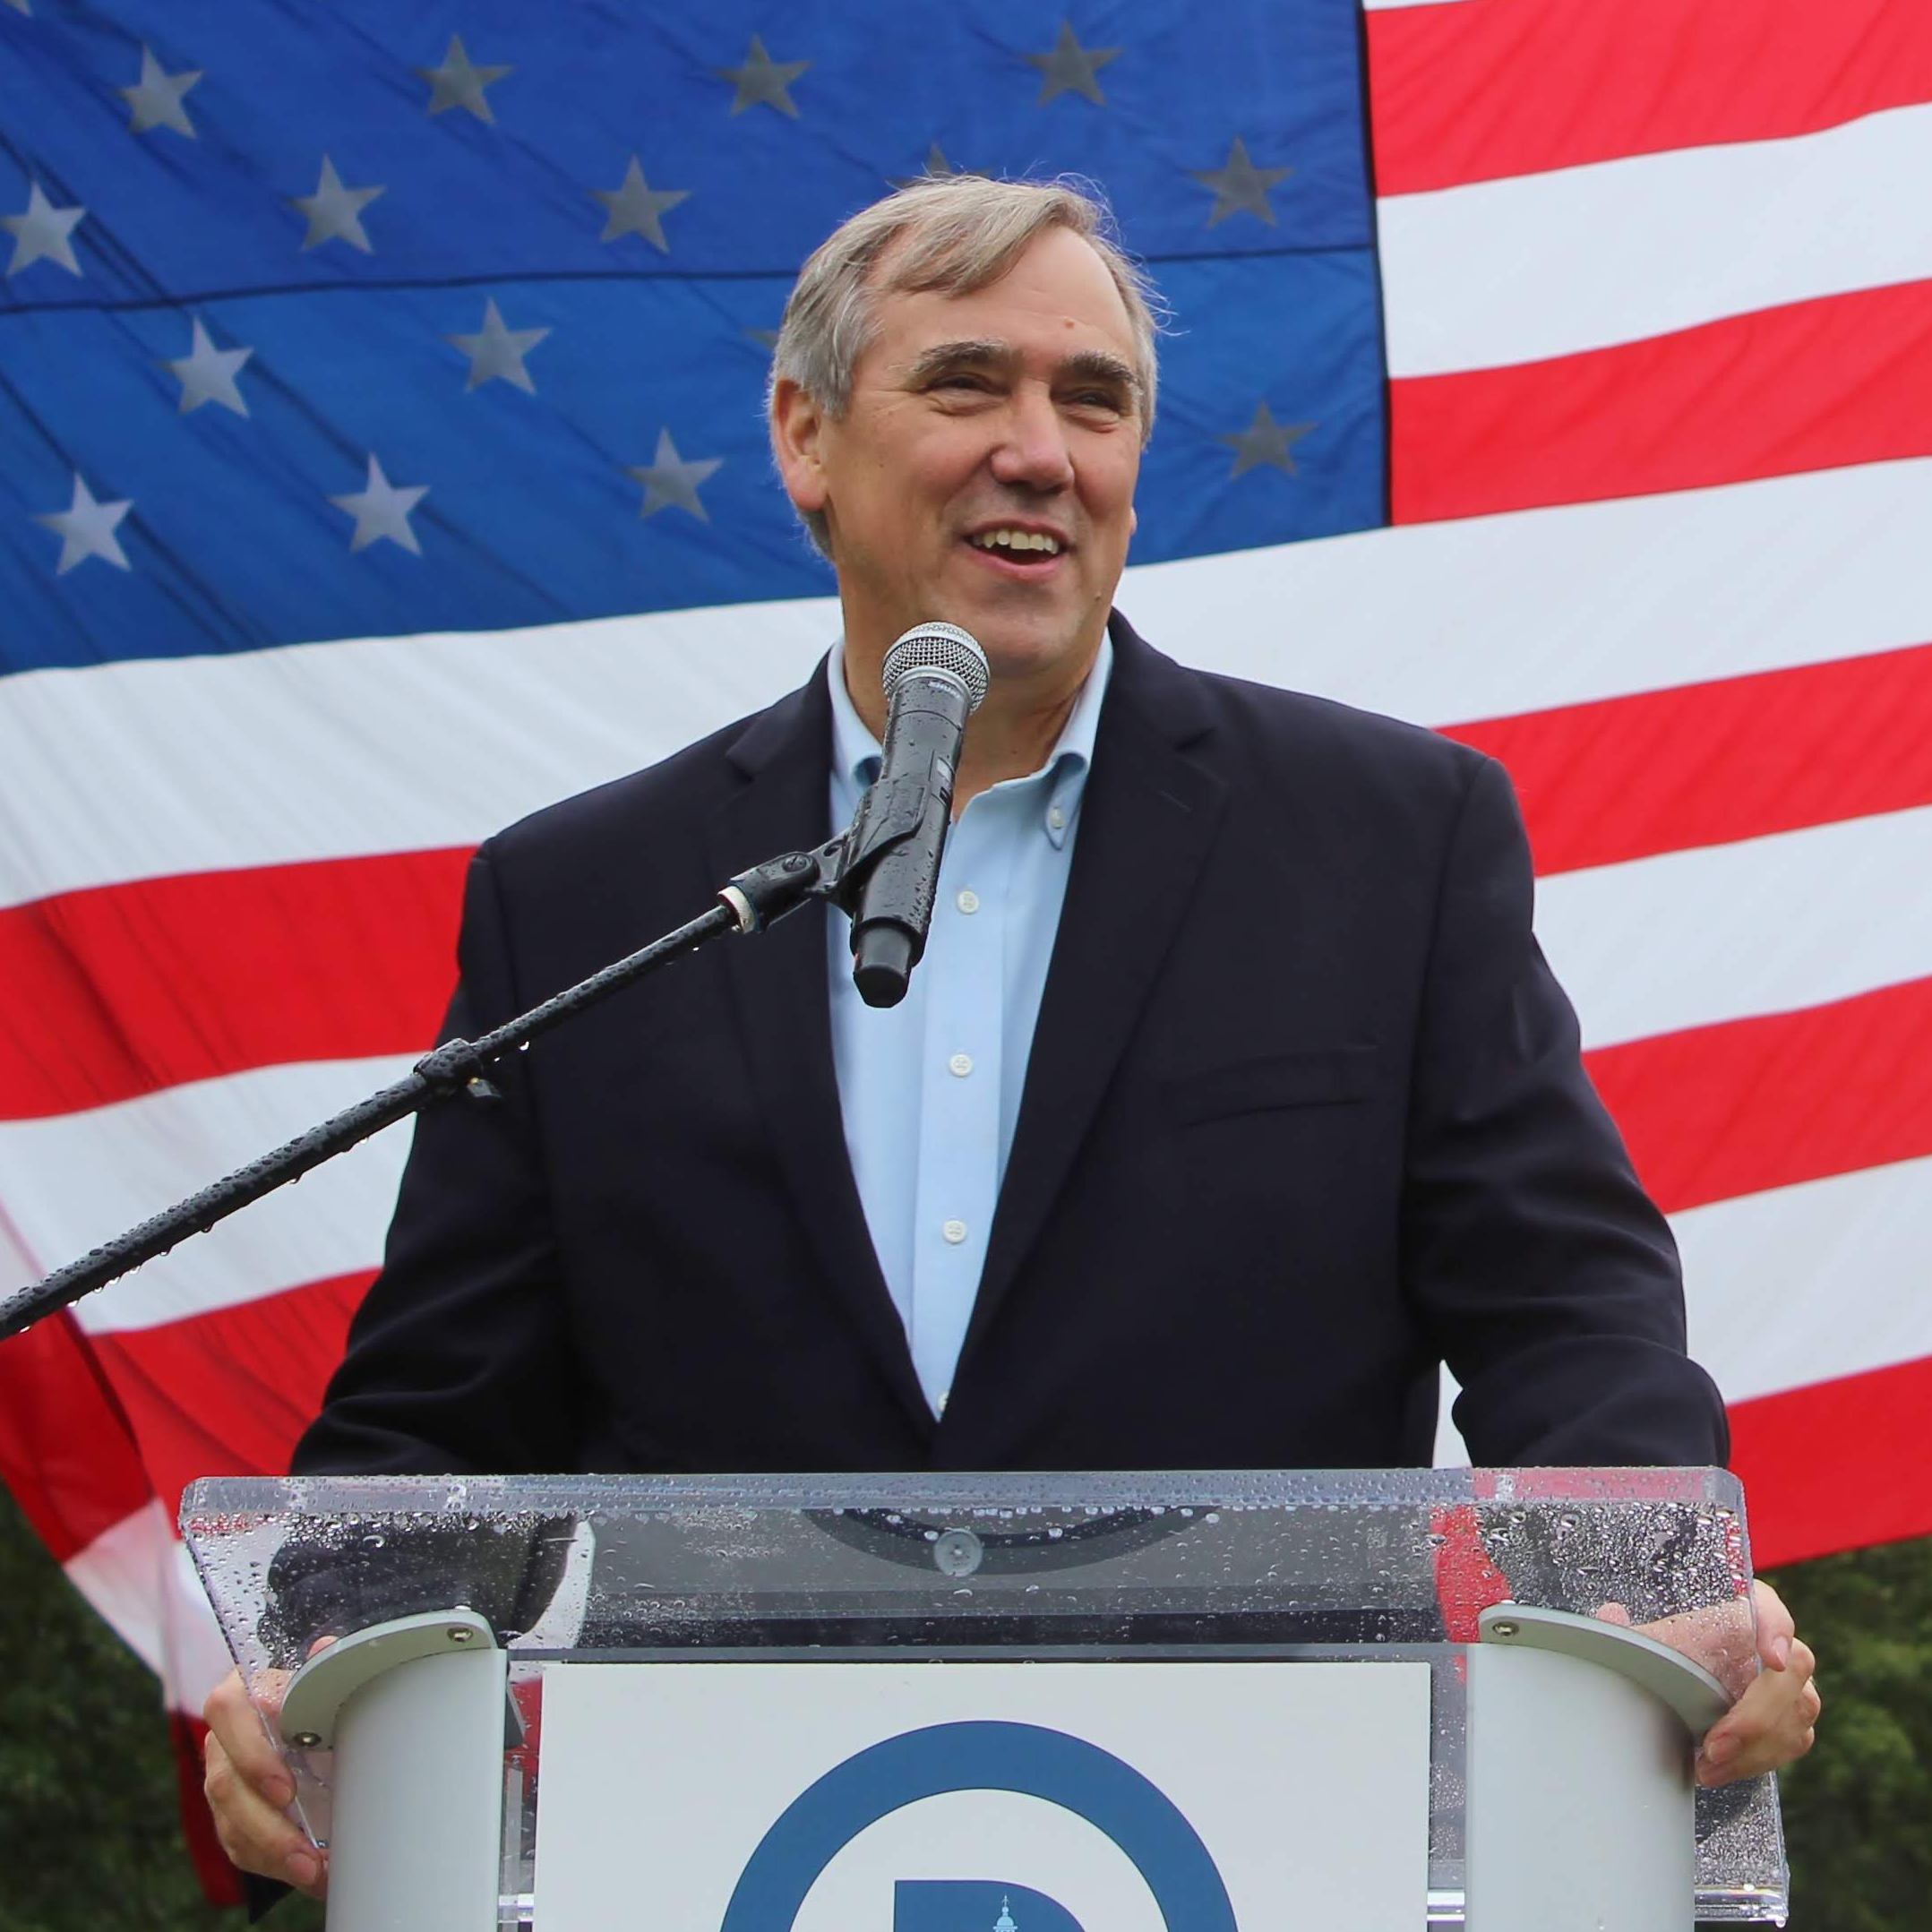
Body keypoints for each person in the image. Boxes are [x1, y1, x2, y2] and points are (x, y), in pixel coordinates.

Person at [202, 176, 1819, 1896]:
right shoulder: (592, 898)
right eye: (968, 385)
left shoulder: (1387, 841)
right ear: (806, 438)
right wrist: (325, 1677)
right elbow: (442, 1427)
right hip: (708, 1845)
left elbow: (1565, 1319)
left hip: (1275, 1833)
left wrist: (1655, 1599)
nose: (1041, 451)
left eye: (1094, 400)